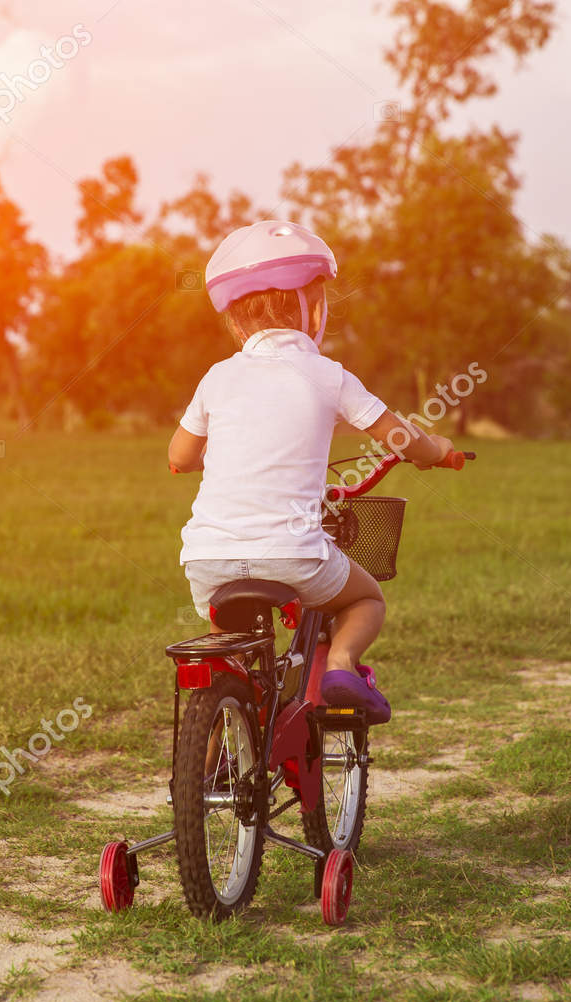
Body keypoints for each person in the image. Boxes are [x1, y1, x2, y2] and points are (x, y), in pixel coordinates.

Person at [167, 220, 454, 724]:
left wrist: (195, 460)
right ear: (312, 310)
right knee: (366, 598)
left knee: (223, 658)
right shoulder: (328, 375)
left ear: (235, 323)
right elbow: (401, 438)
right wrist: (435, 451)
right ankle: (339, 665)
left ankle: (211, 759)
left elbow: (179, 457)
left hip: (208, 560)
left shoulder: (217, 377)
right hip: (294, 554)